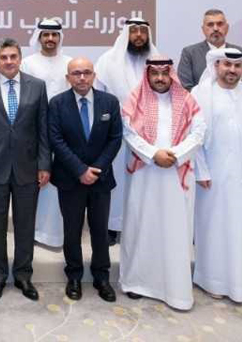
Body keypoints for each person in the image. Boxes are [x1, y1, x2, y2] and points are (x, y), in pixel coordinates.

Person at [118, 56, 205, 310]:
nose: (159, 78)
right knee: (142, 226)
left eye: (164, 73)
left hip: (178, 176)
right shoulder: (134, 100)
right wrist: (153, 154)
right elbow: (128, 133)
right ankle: (137, 283)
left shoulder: (187, 100)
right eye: (154, 73)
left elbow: (199, 132)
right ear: (147, 75)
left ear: (171, 75)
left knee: (175, 230)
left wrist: (175, 155)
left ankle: (175, 290)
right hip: (144, 175)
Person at [191, 48, 242, 304]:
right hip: (212, 178)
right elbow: (194, 137)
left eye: (238, 66)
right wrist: (201, 170)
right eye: (227, 64)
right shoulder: (200, 94)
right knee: (214, 228)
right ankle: (214, 281)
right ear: (216, 65)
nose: (232, 70)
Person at [0, 38, 50, 301]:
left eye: (13, 56)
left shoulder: (37, 86)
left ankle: (23, 275)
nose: (8, 61)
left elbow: (43, 129)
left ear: (20, 58)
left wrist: (44, 164)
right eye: (3, 57)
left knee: (25, 225)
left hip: (28, 167)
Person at [48, 57, 123, 302]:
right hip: (70, 179)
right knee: (71, 231)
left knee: (100, 231)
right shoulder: (57, 103)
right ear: (67, 77)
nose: (82, 77)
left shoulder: (109, 102)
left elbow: (115, 138)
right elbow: (56, 140)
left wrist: (96, 169)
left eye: (87, 72)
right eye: (76, 73)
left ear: (94, 75)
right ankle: (74, 276)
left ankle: (102, 277)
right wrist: (80, 170)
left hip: (101, 180)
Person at [94, 17, 159, 243]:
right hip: (116, 132)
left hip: (150, 134)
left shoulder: (157, 60)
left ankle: (142, 227)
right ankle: (112, 226)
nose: (139, 35)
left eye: (143, 31)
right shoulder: (107, 61)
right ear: (126, 34)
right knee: (116, 181)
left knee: (144, 181)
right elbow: (98, 95)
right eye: (134, 31)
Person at [20, 18, 72, 250]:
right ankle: (36, 231)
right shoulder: (27, 63)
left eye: (54, 35)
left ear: (60, 37)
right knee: (37, 182)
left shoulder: (69, 62)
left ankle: (57, 234)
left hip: (64, 131)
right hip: (34, 131)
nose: (50, 39)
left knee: (59, 183)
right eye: (46, 35)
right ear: (39, 37)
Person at [177, 9, 242, 90]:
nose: (215, 28)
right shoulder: (190, 53)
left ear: (227, 28)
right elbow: (185, 90)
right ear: (203, 29)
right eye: (210, 25)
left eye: (220, 24)